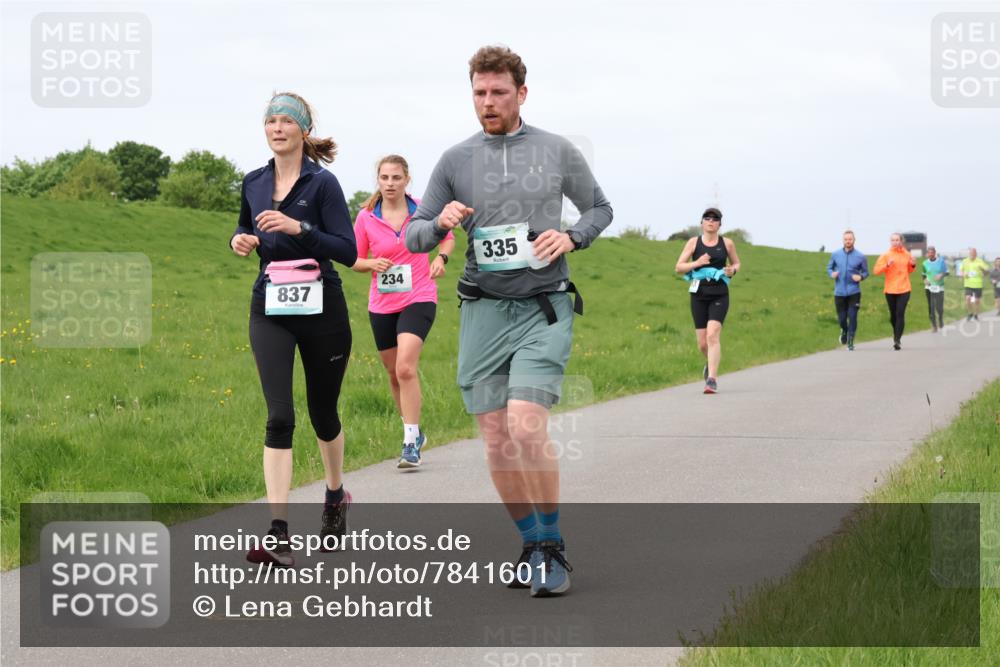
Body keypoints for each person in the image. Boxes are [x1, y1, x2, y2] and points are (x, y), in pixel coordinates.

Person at [405, 45, 613, 597]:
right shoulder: (455, 160)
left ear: (522, 93)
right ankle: (528, 542)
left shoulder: (554, 150)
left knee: (525, 423)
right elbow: (414, 233)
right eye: (479, 92)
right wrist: (439, 223)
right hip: (482, 311)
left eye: (499, 92)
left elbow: (599, 208)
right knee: (496, 437)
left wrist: (572, 236)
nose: (488, 102)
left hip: (544, 306)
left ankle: (553, 545)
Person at [230, 92, 358, 566]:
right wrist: (239, 240)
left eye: (287, 121)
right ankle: (278, 532)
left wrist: (298, 228)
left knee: (323, 414)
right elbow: (245, 229)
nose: (277, 127)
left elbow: (345, 248)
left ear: (303, 130)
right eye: (271, 120)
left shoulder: (323, 185)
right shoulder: (254, 181)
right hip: (271, 305)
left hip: (322, 307)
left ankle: (334, 494)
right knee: (279, 416)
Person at [351, 155, 455, 468]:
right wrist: (371, 263)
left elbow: (447, 238)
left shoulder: (423, 209)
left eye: (396, 178)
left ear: (406, 179)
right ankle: (414, 429)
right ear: (378, 180)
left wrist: (441, 259)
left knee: (406, 367)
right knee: (394, 374)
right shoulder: (366, 217)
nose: (390, 184)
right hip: (382, 304)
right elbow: (354, 260)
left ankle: (410, 443)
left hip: (419, 296)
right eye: (385, 178)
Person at [675, 208, 741, 388]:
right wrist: (697, 263)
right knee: (703, 344)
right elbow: (679, 267)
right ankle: (711, 363)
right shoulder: (693, 243)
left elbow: (736, 263)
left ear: (720, 224)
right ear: (702, 223)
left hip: (719, 293)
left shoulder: (727, 243)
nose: (711, 221)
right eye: (707, 218)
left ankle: (712, 379)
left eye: (715, 219)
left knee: (713, 336)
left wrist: (732, 270)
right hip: (698, 294)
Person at [826, 230, 868, 350]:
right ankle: (844, 331)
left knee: (853, 316)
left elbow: (866, 272)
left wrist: (860, 277)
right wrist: (832, 274)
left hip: (854, 291)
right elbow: (829, 267)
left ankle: (850, 341)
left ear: (854, 240)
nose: (848, 241)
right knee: (842, 318)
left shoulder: (860, 256)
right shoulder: (836, 254)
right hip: (839, 292)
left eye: (850, 239)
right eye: (846, 239)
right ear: (843, 240)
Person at [872, 232, 916, 350]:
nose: (895, 242)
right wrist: (887, 265)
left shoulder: (907, 254)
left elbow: (909, 270)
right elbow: (876, 271)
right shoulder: (886, 255)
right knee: (893, 316)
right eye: (893, 240)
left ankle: (897, 340)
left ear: (901, 241)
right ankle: (896, 332)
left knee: (900, 313)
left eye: (897, 240)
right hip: (890, 289)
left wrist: (913, 265)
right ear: (890, 242)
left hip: (904, 288)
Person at [921, 246, 948, 332]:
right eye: (929, 253)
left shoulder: (941, 261)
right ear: (927, 254)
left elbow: (946, 272)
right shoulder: (924, 263)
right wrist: (925, 280)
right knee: (931, 306)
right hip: (929, 287)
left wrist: (941, 275)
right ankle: (934, 325)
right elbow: (923, 274)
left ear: (935, 252)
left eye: (932, 252)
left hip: (939, 287)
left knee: (939, 307)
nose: (930, 254)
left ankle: (940, 319)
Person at [959, 248, 991, 321]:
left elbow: (986, 271)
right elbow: (961, 271)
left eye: (974, 254)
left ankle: (976, 314)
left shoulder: (980, 261)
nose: (972, 255)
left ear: (976, 254)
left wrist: (983, 269)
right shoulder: (965, 261)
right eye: (971, 253)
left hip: (978, 284)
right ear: (969, 254)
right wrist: (964, 274)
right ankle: (970, 313)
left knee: (977, 301)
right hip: (968, 284)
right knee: (968, 299)